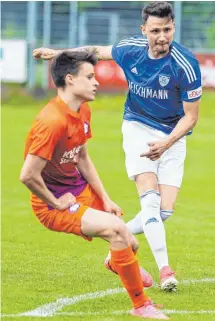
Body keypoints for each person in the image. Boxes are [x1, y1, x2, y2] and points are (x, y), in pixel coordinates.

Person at [32, 1, 202, 292]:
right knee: (149, 202)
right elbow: (95, 52)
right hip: (137, 127)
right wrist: (59, 53)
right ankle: (166, 270)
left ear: (174, 27)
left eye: (168, 29)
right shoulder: (131, 48)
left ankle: (115, 249)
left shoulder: (185, 64)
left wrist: (167, 142)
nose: (162, 37)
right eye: (155, 30)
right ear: (143, 30)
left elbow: (191, 117)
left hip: (172, 136)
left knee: (163, 212)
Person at [20, 50, 169, 320]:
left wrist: (106, 198)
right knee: (116, 232)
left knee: (130, 243)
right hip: (52, 203)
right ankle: (140, 306)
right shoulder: (51, 122)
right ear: (70, 79)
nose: (96, 82)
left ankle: (116, 261)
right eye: (89, 77)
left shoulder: (82, 109)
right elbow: (28, 175)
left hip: (80, 190)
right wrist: (55, 203)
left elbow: (83, 157)